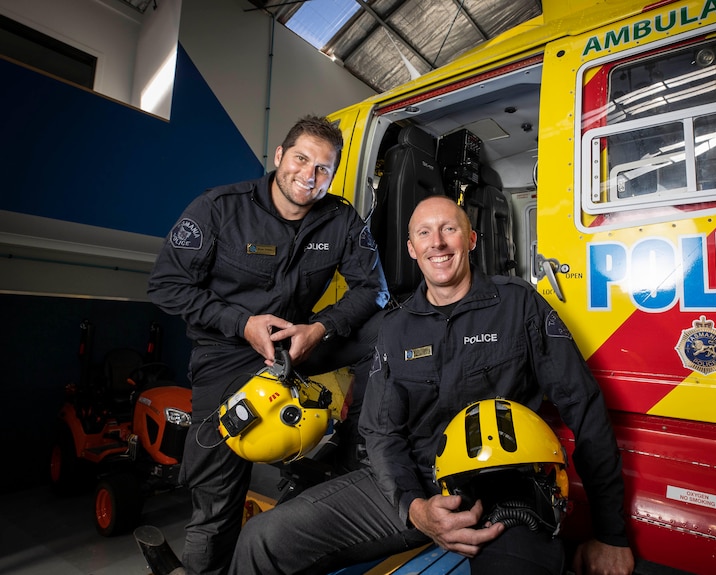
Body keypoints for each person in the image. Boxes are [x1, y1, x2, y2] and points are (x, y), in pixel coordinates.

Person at [228, 195, 634, 575]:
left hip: (503, 486)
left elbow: (583, 406)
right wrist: (414, 507)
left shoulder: (518, 305)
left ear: (471, 239)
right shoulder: (396, 327)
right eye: (424, 233)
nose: (436, 243)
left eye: (449, 229)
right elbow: (381, 432)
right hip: (416, 483)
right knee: (262, 539)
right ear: (411, 248)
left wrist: (610, 534)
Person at [147, 115, 390, 575]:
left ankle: (348, 457)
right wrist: (241, 323)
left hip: (298, 344)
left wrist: (318, 329)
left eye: (323, 168)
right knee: (218, 497)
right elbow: (166, 285)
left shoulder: (340, 219)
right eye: (302, 159)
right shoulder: (218, 208)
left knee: (387, 332)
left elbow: (373, 289)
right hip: (228, 353)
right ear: (279, 156)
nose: (310, 175)